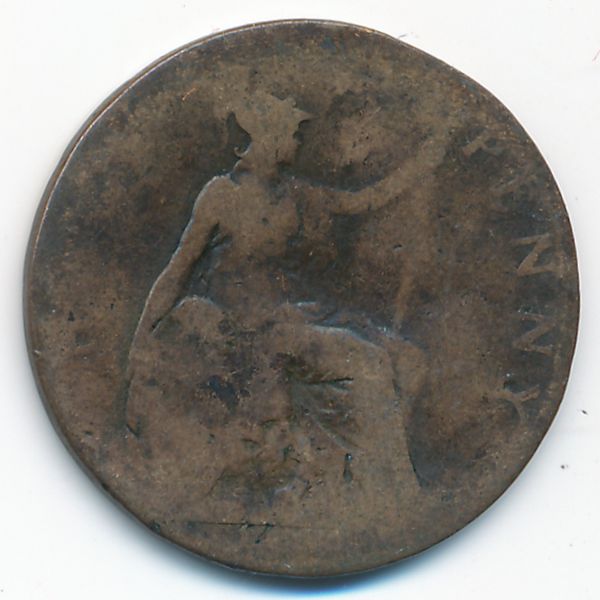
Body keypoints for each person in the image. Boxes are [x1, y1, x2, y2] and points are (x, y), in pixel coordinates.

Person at [124, 91, 428, 525]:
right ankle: (395, 500)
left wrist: (422, 165)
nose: (298, 142)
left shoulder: (294, 194)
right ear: (266, 138)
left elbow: (360, 202)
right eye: (292, 132)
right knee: (370, 363)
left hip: (289, 319)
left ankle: (370, 489)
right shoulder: (221, 195)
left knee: (410, 361)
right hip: (246, 331)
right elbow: (178, 270)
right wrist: (141, 341)